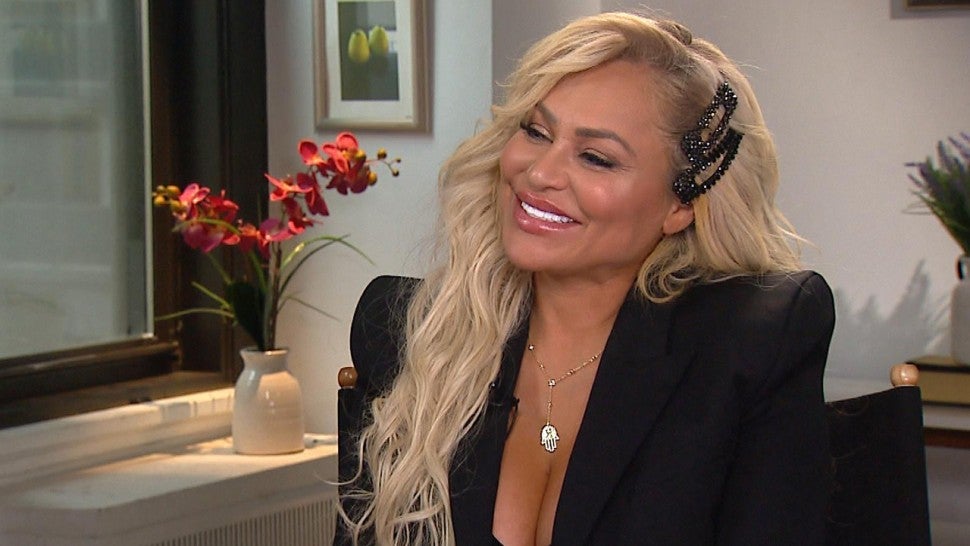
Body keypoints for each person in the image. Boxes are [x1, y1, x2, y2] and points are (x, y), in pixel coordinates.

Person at [336, 11, 835, 546]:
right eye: (536, 131)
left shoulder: (749, 346)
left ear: (680, 205)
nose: (539, 173)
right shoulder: (411, 331)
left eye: (596, 158)